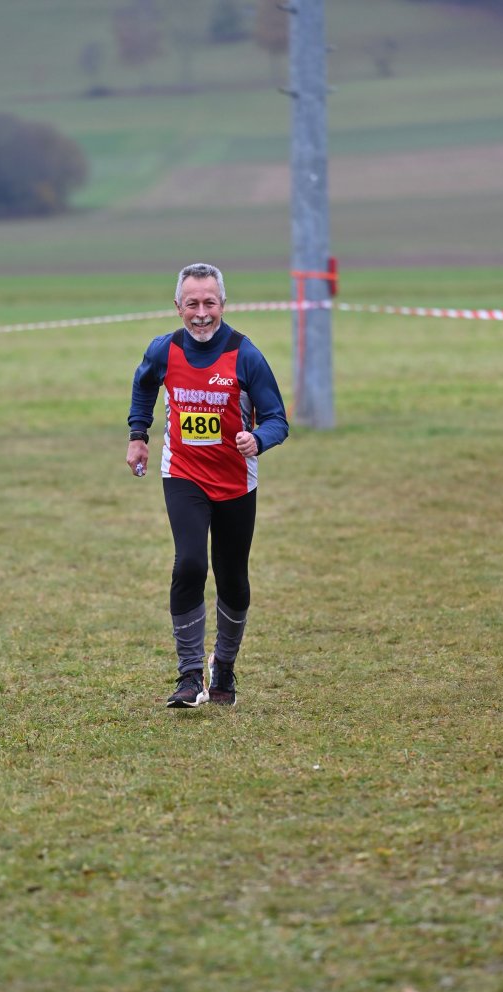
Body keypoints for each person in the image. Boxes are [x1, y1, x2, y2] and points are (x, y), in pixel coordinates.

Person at [126, 262, 289, 708]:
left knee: (232, 577)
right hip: (183, 473)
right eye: (192, 304)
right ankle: (188, 674)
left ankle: (225, 670)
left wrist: (258, 439)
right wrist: (138, 435)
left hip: (236, 481)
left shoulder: (245, 355)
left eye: (210, 303)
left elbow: (277, 419)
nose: (201, 314)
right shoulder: (164, 350)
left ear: (223, 305)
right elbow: (144, 384)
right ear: (177, 306)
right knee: (190, 564)